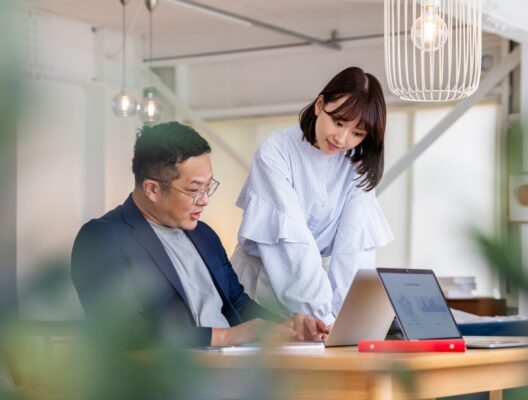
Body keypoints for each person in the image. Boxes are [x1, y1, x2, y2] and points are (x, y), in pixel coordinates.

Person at [71, 122, 328, 347]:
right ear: (152, 189)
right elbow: (124, 330)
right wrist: (225, 336)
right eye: (194, 190)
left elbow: (237, 303)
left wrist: (288, 326)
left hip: (231, 367)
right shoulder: (102, 238)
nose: (204, 200)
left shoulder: (204, 235)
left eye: (208, 187)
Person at [232, 67, 394, 325]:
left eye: (357, 133)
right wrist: (322, 316)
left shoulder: (357, 164)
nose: (342, 139)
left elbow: (352, 248)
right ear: (320, 105)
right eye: (338, 123)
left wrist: (348, 318)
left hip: (315, 288)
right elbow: (292, 242)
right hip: (261, 287)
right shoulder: (276, 150)